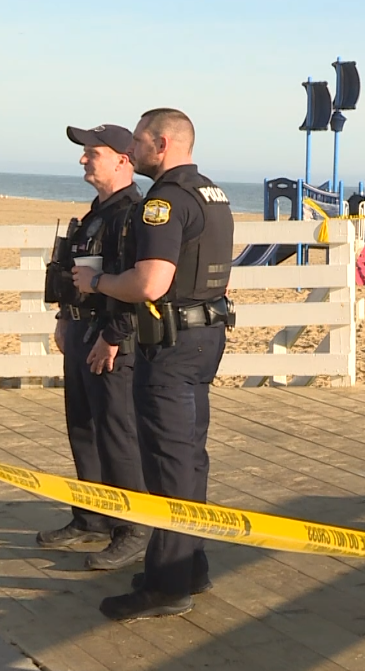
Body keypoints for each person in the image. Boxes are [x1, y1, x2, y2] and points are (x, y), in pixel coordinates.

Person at [73, 108, 235, 620]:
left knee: (168, 464)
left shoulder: (163, 202)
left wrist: (96, 283)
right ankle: (191, 567)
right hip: (205, 336)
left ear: (161, 144)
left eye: (140, 141)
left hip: (171, 345)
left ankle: (167, 586)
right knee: (189, 458)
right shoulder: (212, 193)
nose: (134, 149)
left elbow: (149, 283)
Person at [38, 124, 149, 570]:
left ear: (123, 159)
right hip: (83, 331)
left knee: (117, 435)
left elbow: (140, 285)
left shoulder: (133, 214)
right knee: (83, 429)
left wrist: (113, 336)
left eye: (93, 152)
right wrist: (65, 318)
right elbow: (76, 274)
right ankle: (92, 518)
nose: (83, 159)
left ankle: (135, 528)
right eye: (84, 152)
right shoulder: (97, 213)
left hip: (112, 339)